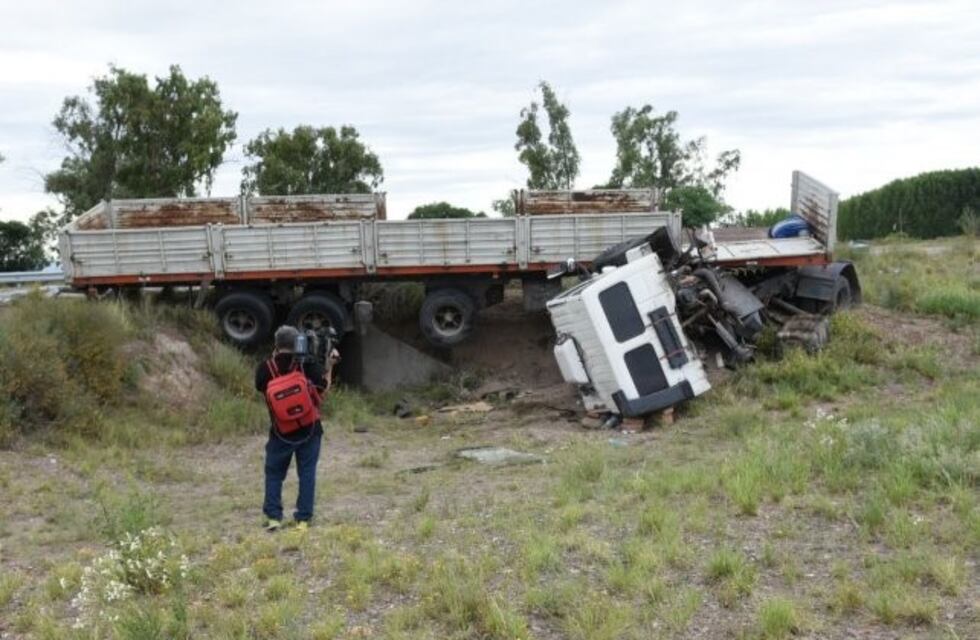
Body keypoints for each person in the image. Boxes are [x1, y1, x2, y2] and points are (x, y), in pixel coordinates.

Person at [254, 325, 338, 531]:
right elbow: (323, 389)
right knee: (307, 473)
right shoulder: (307, 365)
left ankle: (274, 518)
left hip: (280, 431)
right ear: (298, 343)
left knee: (274, 474)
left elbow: (261, 389)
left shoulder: (265, 369)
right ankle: (303, 520)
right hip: (310, 429)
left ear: (276, 345)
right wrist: (330, 365)